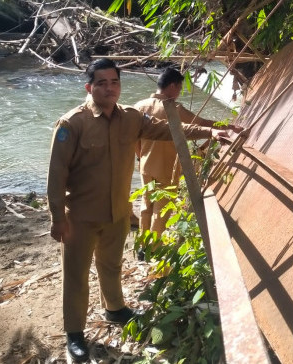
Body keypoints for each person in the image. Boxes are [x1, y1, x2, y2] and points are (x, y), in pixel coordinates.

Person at [47, 58, 232, 363]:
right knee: (76, 276)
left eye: (115, 82)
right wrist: (57, 219)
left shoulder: (132, 118)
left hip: (118, 212)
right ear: (89, 87)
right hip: (80, 216)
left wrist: (210, 132)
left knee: (111, 265)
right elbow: (56, 176)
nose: (110, 88)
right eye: (102, 83)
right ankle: (75, 334)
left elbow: (168, 129)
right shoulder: (72, 124)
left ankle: (115, 307)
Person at [133, 68, 243, 239]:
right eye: (178, 88)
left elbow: (134, 139)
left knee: (147, 205)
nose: (178, 93)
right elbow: (201, 124)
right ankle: (153, 248)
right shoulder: (174, 109)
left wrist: (140, 157)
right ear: (172, 86)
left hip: (145, 164)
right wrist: (229, 127)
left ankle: (143, 242)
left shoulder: (139, 106)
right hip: (167, 167)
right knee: (161, 209)